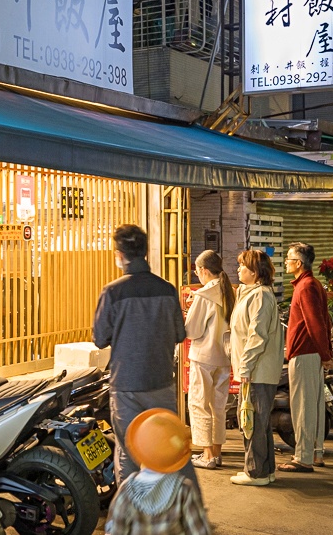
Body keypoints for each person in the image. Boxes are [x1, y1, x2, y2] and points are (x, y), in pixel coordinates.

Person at [93, 224, 188, 484]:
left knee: (128, 452)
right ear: (145, 252)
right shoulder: (167, 289)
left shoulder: (112, 291)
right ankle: (166, 513)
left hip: (127, 385)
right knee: (166, 450)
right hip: (161, 383)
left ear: (120, 255)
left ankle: (130, 519)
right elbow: (180, 334)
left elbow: (99, 339)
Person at [104, 408, 212, 535]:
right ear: (178, 457)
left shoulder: (127, 490)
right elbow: (199, 531)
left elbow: (115, 531)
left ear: (139, 453)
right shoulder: (184, 490)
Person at [228, 249, 283, 486]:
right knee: (259, 421)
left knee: (252, 421)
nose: (238, 269)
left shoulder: (260, 296)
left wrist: (245, 367)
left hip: (257, 370)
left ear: (255, 272)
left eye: (242, 266)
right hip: (256, 369)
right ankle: (264, 470)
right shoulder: (252, 293)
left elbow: (257, 336)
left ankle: (256, 472)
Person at [279, 242, 333, 473]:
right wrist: (325, 354)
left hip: (305, 353)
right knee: (313, 405)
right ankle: (316, 453)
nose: (285, 262)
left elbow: (315, 324)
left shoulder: (306, 287)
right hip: (311, 353)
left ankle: (302, 457)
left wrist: (325, 354)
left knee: (302, 407)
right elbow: (324, 322)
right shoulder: (312, 284)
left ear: (298, 263)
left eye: (288, 259)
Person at [185, 250, 235, 470]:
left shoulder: (203, 295)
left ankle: (206, 455)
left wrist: (186, 313)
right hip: (224, 358)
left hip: (204, 357)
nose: (197, 276)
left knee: (199, 404)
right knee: (218, 406)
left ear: (204, 270)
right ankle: (217, 452)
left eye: (197, 272)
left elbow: (193, 331)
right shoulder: (230, 292)